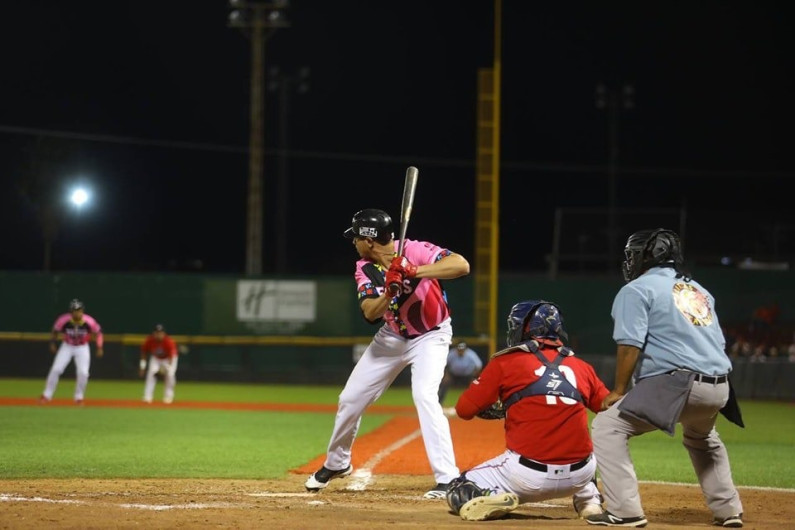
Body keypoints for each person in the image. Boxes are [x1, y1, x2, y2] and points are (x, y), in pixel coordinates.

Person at [304, 208, 470, 499]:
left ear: (368, 240)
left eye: (355, 237)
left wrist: (413, 270)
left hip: (431, 335)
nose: (353, 242)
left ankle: (448, 478)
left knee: (424, 396)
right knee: (350, 398)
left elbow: (461, 266)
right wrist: (389, 292)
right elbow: (370, 312)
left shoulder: (415, 250)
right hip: (391, 337)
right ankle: (337, 462)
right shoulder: (364, 268)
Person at [587, 228, 744, 528]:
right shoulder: (699, 291)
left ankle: (625, 511)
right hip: (720, 387)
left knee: (608, 426)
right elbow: (719, 342)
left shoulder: (636, 290)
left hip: (678, 384)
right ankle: (729, 511)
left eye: (634, 253)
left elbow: (629, 344)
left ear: (647, 256)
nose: (630, 260)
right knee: (702, 437)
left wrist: (619, 389)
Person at [444, 300, 610, 521]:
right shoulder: (582, 366)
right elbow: (606, 407)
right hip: (580, 476)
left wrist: (506, 406)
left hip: (526, 477)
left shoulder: (506, 361)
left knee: (458, 487)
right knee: (586, 454)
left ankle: (493, 494)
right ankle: (590, 503)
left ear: (525, 329)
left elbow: (464, 410)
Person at [39, 298, 104, 405]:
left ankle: (79, 397)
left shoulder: (89, 321)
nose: (77, 312)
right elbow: (55, 331)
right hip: (67, 346)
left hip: (82, 347)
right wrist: (52, 343)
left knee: (83, 373)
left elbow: (99, 333)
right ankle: (47, 395)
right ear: (71, 312)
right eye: (75, 310)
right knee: (56, 369)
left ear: (83, 311)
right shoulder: (63, 320)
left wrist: (99, 346)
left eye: (79, 310)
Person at [140, 324, 180, 404]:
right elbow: (144, 353)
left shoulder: (168, 342)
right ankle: (147, 396)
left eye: (161, 333)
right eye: (157, 332)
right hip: (156, 358)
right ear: (154, 333)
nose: (159, 334)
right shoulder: (150, 340)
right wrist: (142, 367)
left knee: (170, 376)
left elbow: (171, 357)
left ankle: (168, 397)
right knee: (151, 374)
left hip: (169, 359)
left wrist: (166, 369)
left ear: (164, 333)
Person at [438, 341, 482, 406]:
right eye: (459, 349)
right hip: (454, 375)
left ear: (465, 349)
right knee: (445, 382)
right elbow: (445, 365)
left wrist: (473, 376)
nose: (460, 351)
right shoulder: (452, 353)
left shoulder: (471, 354)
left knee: (474, 385)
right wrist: (446, 375)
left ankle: (475, 404)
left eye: (462, 350)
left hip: (467, 376)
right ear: (456, 348)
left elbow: (478, 366)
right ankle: (439, 403)